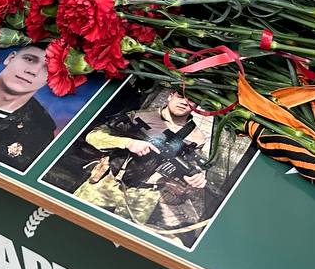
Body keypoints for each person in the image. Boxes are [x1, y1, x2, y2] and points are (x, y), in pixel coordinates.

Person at [70, 91, 210, 242]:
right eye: (181, 96)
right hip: (108, 183)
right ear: (170, 96)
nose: (184, 102)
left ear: (196, 106)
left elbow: (192, 164)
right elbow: (93, 136)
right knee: (72, 220)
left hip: (145, 197)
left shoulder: (197, 137)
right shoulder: (139, 116)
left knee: (117, 240)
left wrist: (196, 176)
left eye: (191, 100)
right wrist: (128, 143)